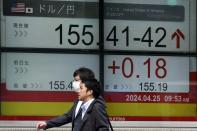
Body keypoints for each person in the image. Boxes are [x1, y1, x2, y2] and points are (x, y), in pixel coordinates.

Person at [36, 67, 111, 131]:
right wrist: (47, 124)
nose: (74, 83)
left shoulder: (96, 102)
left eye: (76, 80)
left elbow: (103, 128)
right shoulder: (80, 100)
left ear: (85, 81)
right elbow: (68, 116)